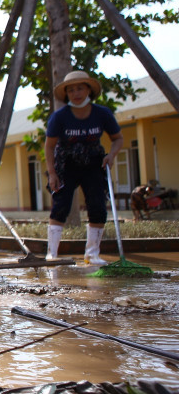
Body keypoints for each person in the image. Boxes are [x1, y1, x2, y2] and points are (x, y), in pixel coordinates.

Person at [45, 71, 123, 265]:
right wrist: (52, 173)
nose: (76, 93)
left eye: (80, 88)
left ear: (89, 90)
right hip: (66, 164)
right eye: (71, 90)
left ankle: (92, 254)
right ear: (66, 94)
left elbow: (118, 138)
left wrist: (111, 155)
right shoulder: (59, 117)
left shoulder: (102, 113)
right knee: (60, 206)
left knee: (97, 206)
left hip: (93, 163)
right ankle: (52, 253)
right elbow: (49, 146)